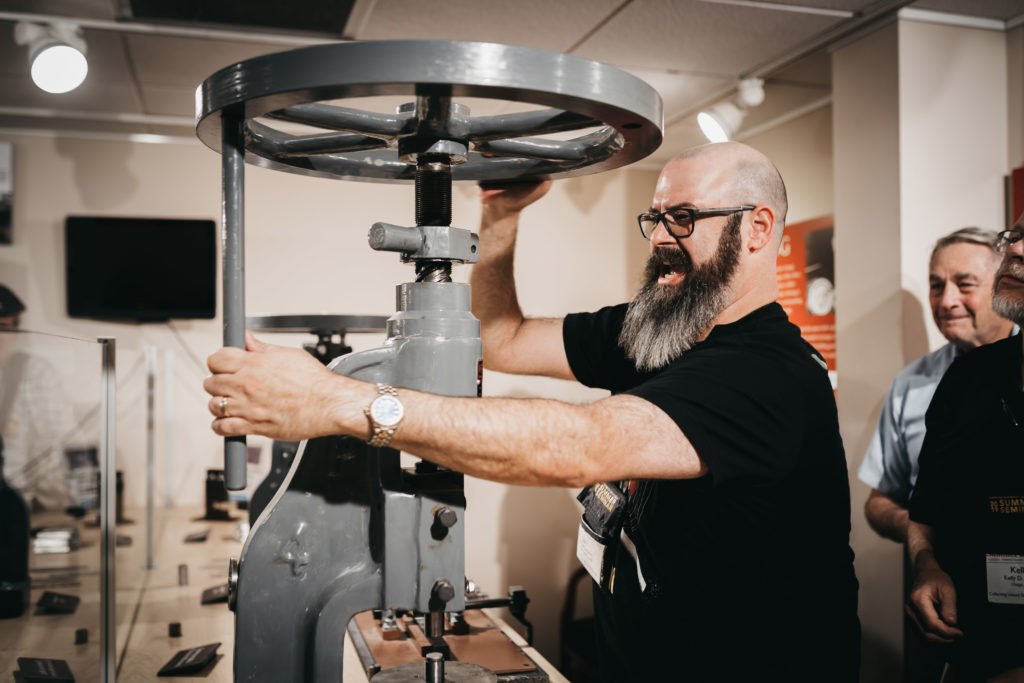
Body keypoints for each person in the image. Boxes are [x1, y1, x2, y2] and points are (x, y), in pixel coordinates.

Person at [204, 142, 860, 680]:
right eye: (655, 218)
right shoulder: (661, 327)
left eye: (683, 218)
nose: (659, 237)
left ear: (758, 227)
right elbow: (501, 337)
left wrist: (337, 402)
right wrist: (500, 217)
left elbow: (582, 445)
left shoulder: (770, 376)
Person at [858, 228, 1015, 681]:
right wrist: (922, 534)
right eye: (935, 284)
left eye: (964, 284)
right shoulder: (913, 383)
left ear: (1002, 284)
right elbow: (879, 500)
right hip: (941, 610)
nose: (946, 300)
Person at [906, 214, 1024, 683]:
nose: (1015, 249)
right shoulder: (968, 378)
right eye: (1014, 235)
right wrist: (926, 564)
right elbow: (926, 510)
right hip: (972, 648)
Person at [0, 284, 74, 510]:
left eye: (2, 327)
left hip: (13, 504)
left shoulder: (33, 372)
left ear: (16, 331)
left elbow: (58, 444)